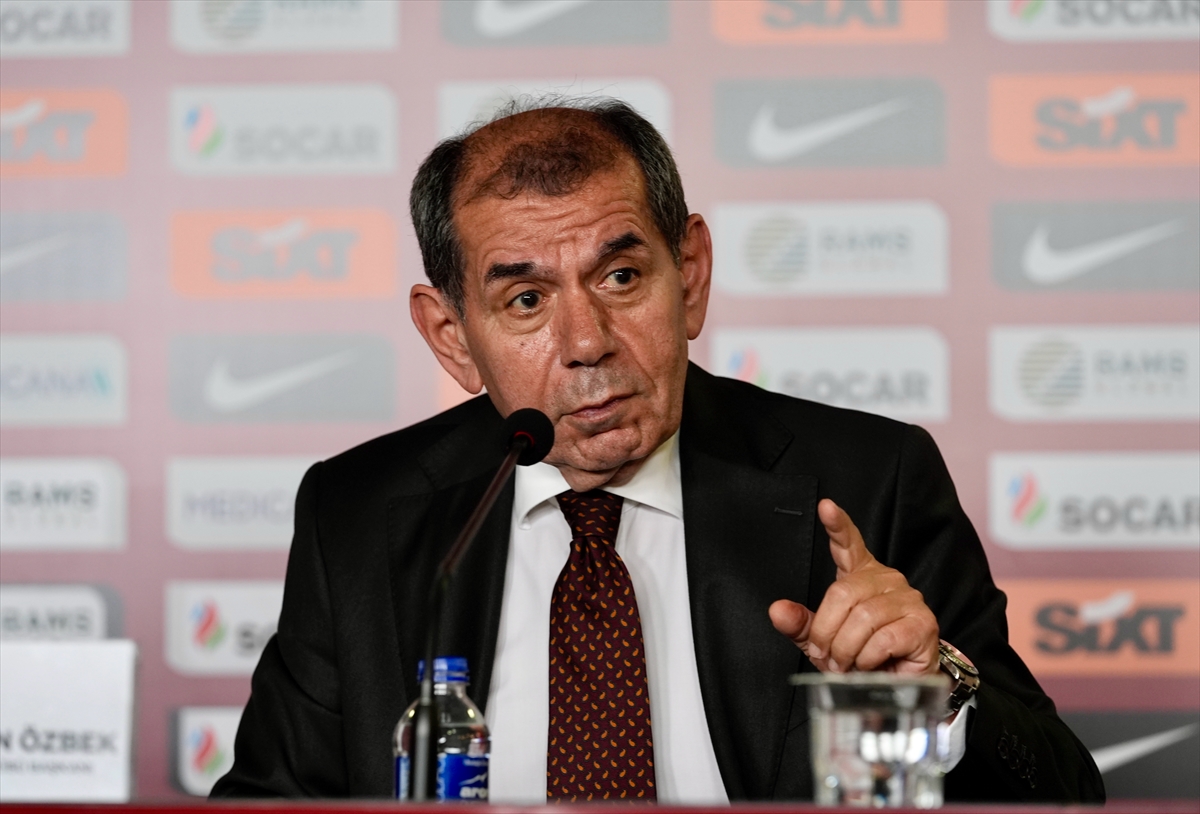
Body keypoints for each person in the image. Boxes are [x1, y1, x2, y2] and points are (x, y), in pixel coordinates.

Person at [211, 99, 1104, 803]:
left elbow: (1066, 795)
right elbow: (271, 803)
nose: (587, 342)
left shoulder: (867, 479)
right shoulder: (361, 516)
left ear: (692, 277)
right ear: (452, 337)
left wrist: (936, 693)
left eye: (621, 276)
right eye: (526, 301)